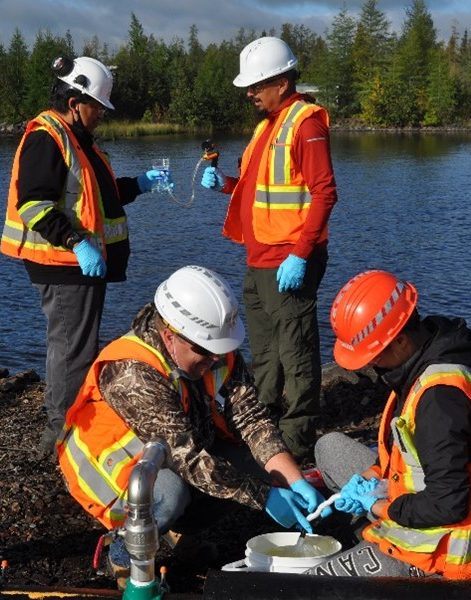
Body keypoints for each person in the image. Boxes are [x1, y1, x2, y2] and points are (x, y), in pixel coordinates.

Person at [56, 265, 332, 586]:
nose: (217, 359)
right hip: (114, 476)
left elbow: (251, 418)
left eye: (221, 350)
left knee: (258, 469)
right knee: (171, 493)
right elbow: (187, 459)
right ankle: (122, 551)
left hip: (172, 459)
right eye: (206, 351)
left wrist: (292, 479)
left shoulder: (213, 351)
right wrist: (263, 496)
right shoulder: (131, 372)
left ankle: (176, 529)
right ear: (170, 336)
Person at [1, 56, 170, 456]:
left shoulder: (77, 141)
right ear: (76, 101)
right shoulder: (47, 137)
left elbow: (100, 197)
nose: (101, 116)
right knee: (70, 349)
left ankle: (72, 420)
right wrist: (76, 242)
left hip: (80, 262)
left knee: (76, 344)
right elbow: (34, 205)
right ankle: (62, 434)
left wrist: (140, 185)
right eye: (97, 107)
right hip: (63, 263)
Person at [307, 270, 471, 579]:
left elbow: (448, 505)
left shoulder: (439, 400)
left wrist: (378, 507)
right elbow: (408, 453)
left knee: (306, 585)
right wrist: (371, 477)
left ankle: (386, 562)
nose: (369, 364)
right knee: (329, 447)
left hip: (435, 552)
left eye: (372, 355)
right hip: (414, 500)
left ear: (399, 341)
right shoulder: (420, 362)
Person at [201, 37, 337, 464]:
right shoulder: (267, 127)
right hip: (259, 260)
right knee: (264, 347)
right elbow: (253, 188)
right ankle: (264, 423)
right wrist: (223, 183)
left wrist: (300, 253)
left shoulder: (305, 123)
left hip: (289, 258)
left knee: (295, 346)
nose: (250, 93)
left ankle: (297, 436)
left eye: (256, 84)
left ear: (281, 81)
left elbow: (325, 193)